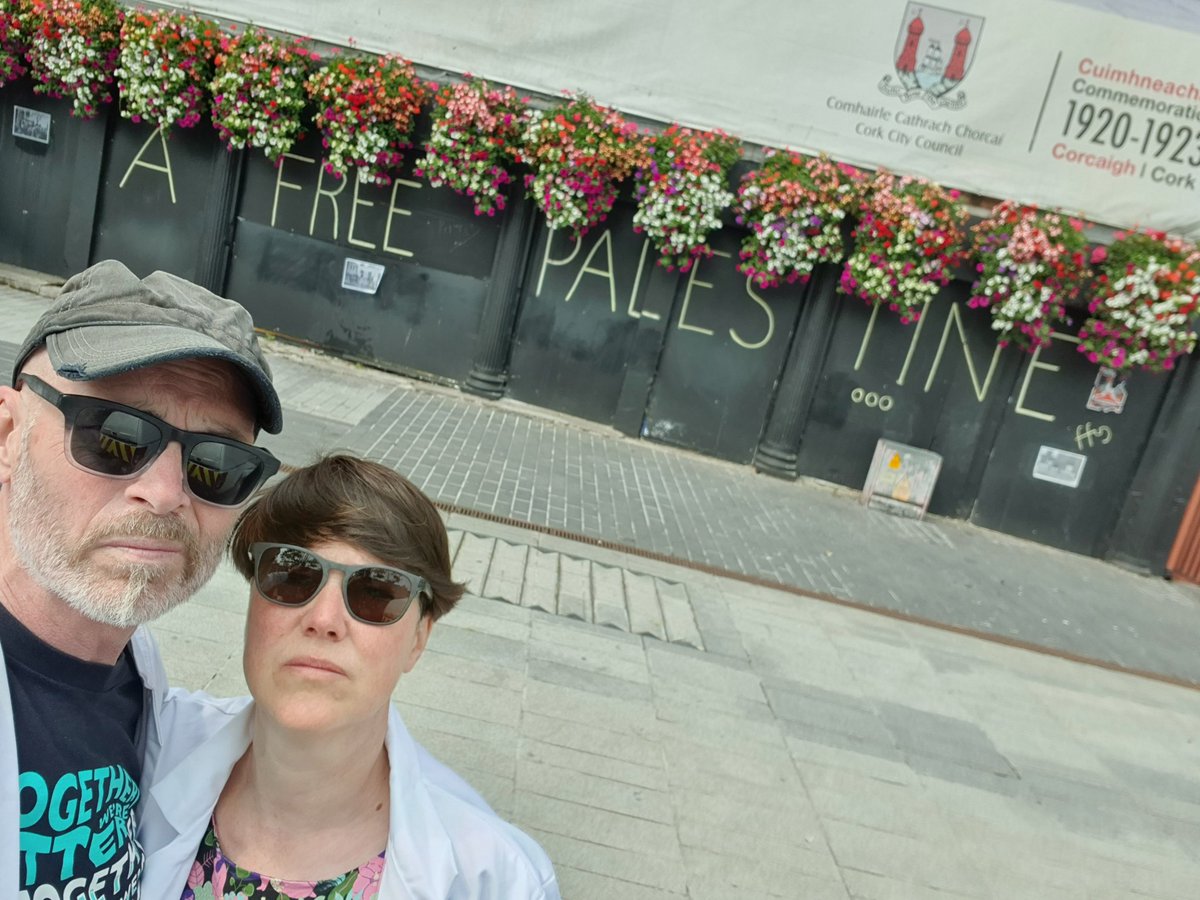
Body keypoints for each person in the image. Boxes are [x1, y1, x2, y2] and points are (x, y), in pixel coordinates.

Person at [139, 455, 560, 899]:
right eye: (293, 574)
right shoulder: (146, 749)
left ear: (418, 639)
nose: (324, 619)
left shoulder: (496, 879)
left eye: (377, 592)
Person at [0, 259, 283, 898]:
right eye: (114, 437)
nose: (164, 493)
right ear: (8, 432)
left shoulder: (135, 683)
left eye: (218, 464)